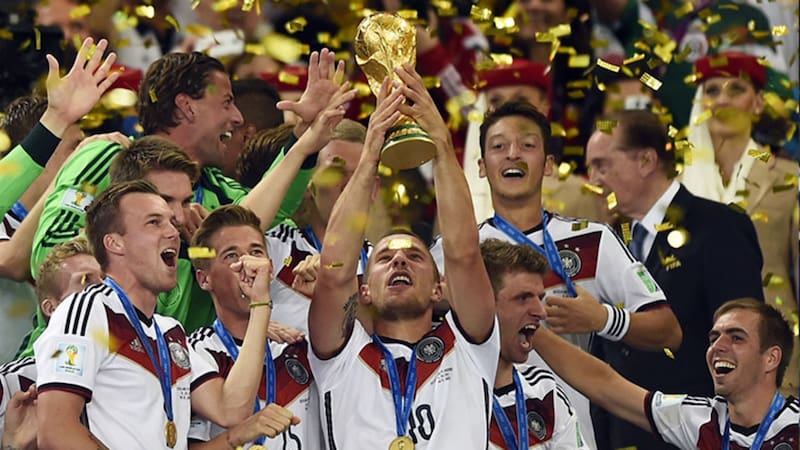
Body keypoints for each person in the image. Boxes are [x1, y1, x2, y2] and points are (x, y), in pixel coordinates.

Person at [432, 100, 681, 449]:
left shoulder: (591, 239)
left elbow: (669, 330)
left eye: (528, 145)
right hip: (477, 434)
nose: (513, 155)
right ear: (482, 166)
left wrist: (604, 319)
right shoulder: (456, 254)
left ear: (549, 165)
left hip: (570, 433)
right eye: (499, 146)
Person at [308, 65, 499, 448]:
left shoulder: (470, 349)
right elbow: (334, 272)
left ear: (438, 289)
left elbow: (463, 253)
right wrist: (370, 154)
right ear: (362, 291)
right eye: (382, 259)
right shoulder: (340, 357)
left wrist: (441, 144)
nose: (398, 262)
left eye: (415, 256)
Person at [585, 108, 765, 450]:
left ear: (646, 161)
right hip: (622, 435)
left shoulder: (718, 227)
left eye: (602, 165)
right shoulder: (612, 240)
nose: (592, 179)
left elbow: (745, 341)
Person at [34, 180, 190, 448]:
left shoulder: (170, 331)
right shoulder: (86, 309)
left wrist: (259, 308)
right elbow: (56, 430)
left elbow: (228, 409)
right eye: (154, 222)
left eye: (172, 223)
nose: (174, 232)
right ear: (115, 243)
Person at [530, 298, 798, 450]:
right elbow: (605, 384)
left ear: (771, 358)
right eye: (714, 338)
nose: (718, 347)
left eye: (736, 338)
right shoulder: (699, 418)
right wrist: (531, 328)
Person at [682, 52, 799, 397]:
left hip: (775, 353)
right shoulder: (676, 186)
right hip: (695, 356)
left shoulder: (790, 180)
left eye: (736, 89)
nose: (723, 100)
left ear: (759, 103)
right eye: (713, 90)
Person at [188, 205, 315, 449]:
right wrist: (260, 305)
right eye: (231, 256)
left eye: (255, 252)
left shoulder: (299, 345)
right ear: (205, 279)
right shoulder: (196, 353)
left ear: (270, 267)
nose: (248, 264)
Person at [266, 119, 373, 333]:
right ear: (308, 183)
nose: (351, 184)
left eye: (362, 174)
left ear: (375, 188)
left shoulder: (383, 262)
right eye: (337, 171)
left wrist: (332, 292)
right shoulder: (274, 246)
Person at [481, 238, 588, 449]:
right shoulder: (439, 392)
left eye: (540, 298)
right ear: (481, 302)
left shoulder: (544, 391)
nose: (541, 312)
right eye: (523, 298)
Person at [0, 237, 103, 448]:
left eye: (106, 280)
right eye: (86, 281)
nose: (103, 289)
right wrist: (13, 446)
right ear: (51, 308)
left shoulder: (145, 367)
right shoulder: (13, 384)